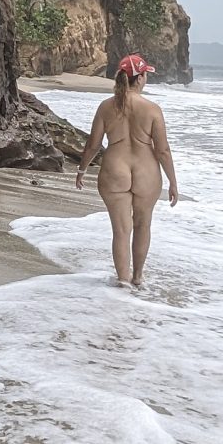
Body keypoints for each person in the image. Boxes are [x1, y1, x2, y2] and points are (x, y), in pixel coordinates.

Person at [76, 55, 179, 287]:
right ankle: (138, 278)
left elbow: (93, 144)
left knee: (121, 231)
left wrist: (82, 170)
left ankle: (122, 282)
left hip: (115, 169)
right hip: (146, 173)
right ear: (140, 78)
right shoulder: (152, 109)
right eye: (146, 75)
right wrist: (173, 182)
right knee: (143, 225)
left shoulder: (106, 107)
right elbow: (162, 150)